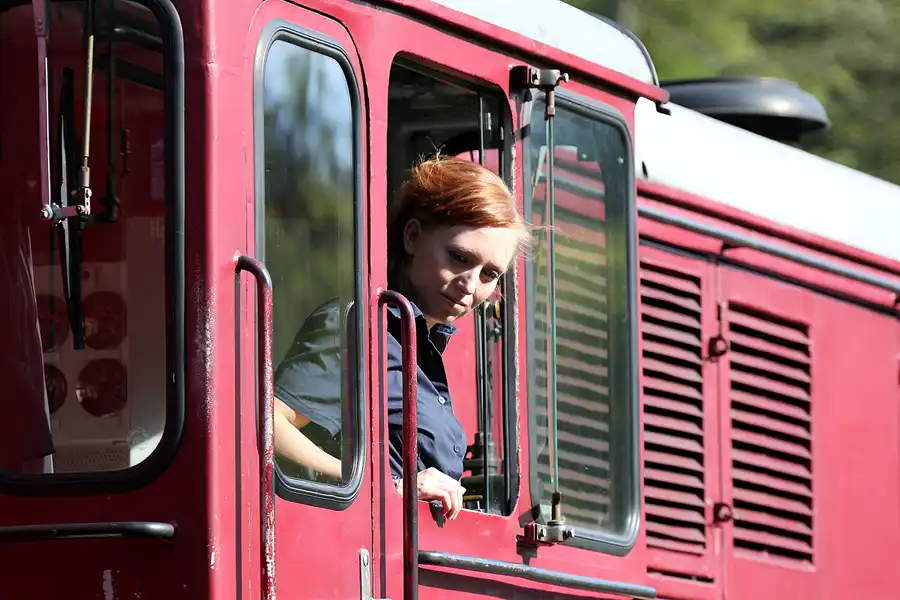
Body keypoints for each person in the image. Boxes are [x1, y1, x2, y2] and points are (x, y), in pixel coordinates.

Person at [273, 156, 528, 520]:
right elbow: (267, 424)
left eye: (489, 274)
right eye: (459, 257)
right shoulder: (359, 329)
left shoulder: (417, 347)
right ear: (412, 237)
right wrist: (386, 485)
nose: (471, 286)